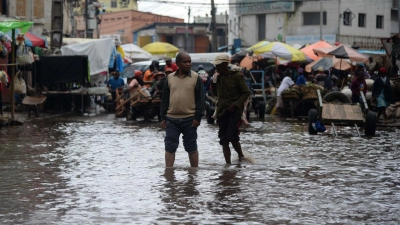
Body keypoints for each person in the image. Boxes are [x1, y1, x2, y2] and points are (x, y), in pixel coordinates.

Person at [160, 52, 205, 168]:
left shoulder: (195, 78)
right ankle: (169, 174)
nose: (188, 64)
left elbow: (201, 100)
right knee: (170, 147)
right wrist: (162, 117)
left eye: (189, 61)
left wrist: (198, 117)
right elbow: (165, 100)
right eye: (185, 62)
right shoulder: (169, 78)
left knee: (191, 147)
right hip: (171, 119)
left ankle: (194, 174)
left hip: (190, 119)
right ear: (178, 63)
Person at [211, 54, 250, 164]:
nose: (216, 67)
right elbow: (215, 94)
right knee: (223, 138)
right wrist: (213, 83)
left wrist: (236, 104)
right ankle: (228, 165)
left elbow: (246, 92)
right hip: (222, 110)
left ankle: (241, 156)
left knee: (232, 136)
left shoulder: (237, 76)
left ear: (224, 65)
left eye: (218, 65)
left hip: (234, 111)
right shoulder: (218, 77)